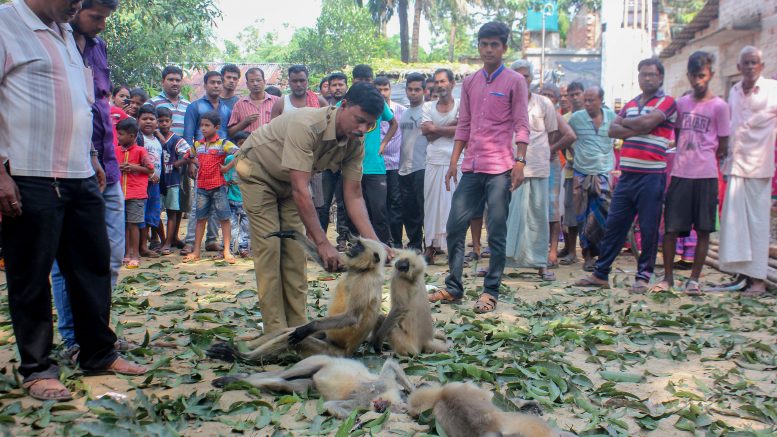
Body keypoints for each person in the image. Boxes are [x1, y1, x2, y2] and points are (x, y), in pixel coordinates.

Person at [0, 0, 147, 401]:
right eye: (74, 0)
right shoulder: (5, 23)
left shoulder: (68, 32)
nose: (78, 7)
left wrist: (92, 155)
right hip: (29, 173)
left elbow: (80, 104)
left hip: (80, 173)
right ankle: (37, 368)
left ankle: (98, 352)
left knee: (92, 267)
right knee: (30, 276)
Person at [234, 82, 386, 333]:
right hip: (258, 172)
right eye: (359, 120)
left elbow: (354, 196)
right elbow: (301, 190)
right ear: (343, 105)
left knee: (294, 254)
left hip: (290, 183)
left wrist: (376, 244)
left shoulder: (355, 143)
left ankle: (297, 329)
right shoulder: (306, 125)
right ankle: (275, 334)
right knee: (270, 249)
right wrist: (323, 243)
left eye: (369, 125)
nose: (362, 129)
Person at [428, 22, 530, 314]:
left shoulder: (514, 82)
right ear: (479, 46)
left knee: (496, 230)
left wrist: (520, 162)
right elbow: (465, 125)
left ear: (504, 48)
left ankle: (490, 291)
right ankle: (454, 287)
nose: (488, 49)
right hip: (471, 166)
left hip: (500, 168)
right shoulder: (470, 82)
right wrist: (453, 162)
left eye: (494, 44)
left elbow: (522, 124)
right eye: (484, 44)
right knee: (454, 225)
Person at [52, 0, 124, 363]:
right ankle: (74, 340)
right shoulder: (54, 39)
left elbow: (97, 103)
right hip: (65, 167)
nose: (101, 25)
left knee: (108, 257)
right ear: (77, 7)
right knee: (68, 261)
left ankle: (99, 336)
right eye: (96, 17)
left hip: (105, 165)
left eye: (105, 19)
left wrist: (99, 156)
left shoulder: (98, 47)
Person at [575, 58, 677, 292]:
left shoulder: (668, 102)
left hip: (651, 175)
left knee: (649, 226)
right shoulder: (631, 103)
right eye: (643, 74)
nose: (647, 78)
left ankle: (643, 277)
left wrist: (632, 126)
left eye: (652, 74)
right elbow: (613, 129)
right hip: (628, 175)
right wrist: (640, 125)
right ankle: (601, 274)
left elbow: (647, 122)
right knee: (614, 225)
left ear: (660, 77)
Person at [649, 52, 730, 295]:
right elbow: (674, 133)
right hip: (680, 175)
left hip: (705, 175)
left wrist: (705, 158)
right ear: (688, 76)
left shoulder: (720, 107)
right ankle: (668, 278)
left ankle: (694, 280)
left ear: (711, 75)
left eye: (702, 76)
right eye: (694, 76)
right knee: (672, 229)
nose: (698, 81)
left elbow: (724, 144)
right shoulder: (681, 104)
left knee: (703, 229)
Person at [716, 46, 777, 296]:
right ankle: (741, 276)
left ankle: (759, 282)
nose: (750, 67)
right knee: (735, 227)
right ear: (739, 67)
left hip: (760, 168)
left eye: (755, 62)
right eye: (746, 63)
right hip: (736, 167)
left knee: (758, 225)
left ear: (761, 67)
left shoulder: (773, 90)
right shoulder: (734, 91)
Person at [505, 60, 572, 282]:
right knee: (505, 216)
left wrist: (539, 151)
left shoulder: (544, 103)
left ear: (531, 78)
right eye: (517, 75)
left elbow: (552, 134)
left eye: (525, 76)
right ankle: (502, 263)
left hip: (538, 167)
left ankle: (540, 264)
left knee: (537, 217)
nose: (521, 80)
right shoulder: (504, 102)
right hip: (509, 167)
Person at [348, 64, 398, 246]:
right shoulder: (347, 102)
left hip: (375, 166)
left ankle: (385, 246)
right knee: (354, 211)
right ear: (353, 80)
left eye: (367, 80)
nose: (363, 83)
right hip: (351, 166)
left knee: (379, 210)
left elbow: (394, 123)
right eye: (359, 80)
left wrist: (383, 144)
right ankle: (359, 248)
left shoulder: (377, 102)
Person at [567, 86, 616, 272]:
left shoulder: (612, 117)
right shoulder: (577, 118)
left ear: (601, 100)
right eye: (585, 100)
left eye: (591, 100)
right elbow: (566, 136)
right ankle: (587, 256)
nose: (587, 104)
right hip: (581, 174)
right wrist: (575, 154)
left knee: (602, 216)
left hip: (603, 174)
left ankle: (602, 256)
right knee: (583, 216)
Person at [182, 71, 230, 255]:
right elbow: (188, 135)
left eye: (219, 82)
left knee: (218, 204)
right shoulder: (195, 107)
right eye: (213, 82)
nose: (216, 85)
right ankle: (191, 241)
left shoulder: (225, 109)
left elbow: (227, 136)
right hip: (200, 159)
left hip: (219, 162)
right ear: (205, 84)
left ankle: (211, 240)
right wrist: (191, 162)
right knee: (198, 204)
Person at [183, 111, 238, 264]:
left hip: (218, 186)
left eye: (207, 125)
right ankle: (196, 251)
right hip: (201, 187)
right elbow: (187, 155)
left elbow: (240, 153)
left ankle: (226, 250)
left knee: (224, 218)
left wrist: (227, 168)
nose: (203, 128)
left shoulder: (223, 143)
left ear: (217, 127)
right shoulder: (197, 145)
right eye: (202, 125)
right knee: (200, 219)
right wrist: (195, 164)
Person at [421, 68, 460, 264]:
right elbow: (427, 134)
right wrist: (451, 127)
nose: (439, 85)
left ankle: (453, 248)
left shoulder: (461, 105)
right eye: (436, 82)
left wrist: (436, 128)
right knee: (431, 206)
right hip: (434, 161)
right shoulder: (427, 107)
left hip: (455, 161)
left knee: (454, 206)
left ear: (452, 84)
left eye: (443, 81)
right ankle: (430, 247)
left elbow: (463, 131)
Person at [537, 82, 577, 269]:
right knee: (534, 207)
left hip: (551, 164)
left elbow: (570, 136)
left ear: (555, 99)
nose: (545, 98)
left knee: (552, 210)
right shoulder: (534, 113)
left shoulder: (555, 115)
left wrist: (549, 150)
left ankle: (552, 252)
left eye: (549, 95)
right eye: (542, 94)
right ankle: (535, 250)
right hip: (532, 164)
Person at [116, 118, 154, 268]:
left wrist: (133, 167)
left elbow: (150, 169)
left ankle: (135, 254)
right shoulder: (116, 150)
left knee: (134, 225)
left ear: (132, 136)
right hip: (120, 193)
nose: (118, 137)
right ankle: (126, 254)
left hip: (136, 193)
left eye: (121, 134)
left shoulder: (140, 151)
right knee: (124, 224)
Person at [398, 72, 428, 252]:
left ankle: (431, 246)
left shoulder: (429, 110)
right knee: (409, 211)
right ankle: (415, 244)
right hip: (404, 168)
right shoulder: (403, 113)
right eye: (410, 89)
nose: (413, 93)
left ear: (424, 90)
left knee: (424, 209)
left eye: (417, 89)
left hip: (423, 165)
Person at [157, 106, 192, 255]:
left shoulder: (176, 139)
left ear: (171, 122)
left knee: (172, 211)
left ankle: (168, 242)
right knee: (156, 212)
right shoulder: (153, 138)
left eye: (166, 121)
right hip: (157, 181)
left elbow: (189, 153)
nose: (163, 124)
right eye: (160, 121)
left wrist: (179, 163)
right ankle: (163, 239)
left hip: (172, 181)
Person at [375, 76, 405, 248]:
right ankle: (383, 242)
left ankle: (398, 242)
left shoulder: (401, 111)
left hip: (395, 165)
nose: (382, 93)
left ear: (390, 90)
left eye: (385, 89)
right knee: (379, 206)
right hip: (376, 166)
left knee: (395, 204)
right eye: (379, 90)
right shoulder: (370, 112)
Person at [560, 81, 585, 265]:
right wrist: (569, 157)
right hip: (570, 172)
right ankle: (571, 251)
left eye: (578, 94)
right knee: (569, 213)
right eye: (572, 94)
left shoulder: (592, 116)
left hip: (589, 172)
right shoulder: (565, 118)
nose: (575, 98)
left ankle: (587, 252)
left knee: (587, 214)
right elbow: (561, 141)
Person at [136, 105, 165, 256]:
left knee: (152, 213)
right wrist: (148, 175)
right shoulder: (138, 138)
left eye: (152, 119)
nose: (148, 122)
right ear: (137, 120)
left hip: (155, 184)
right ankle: (142, 247)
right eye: (144, 119)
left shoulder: (157, 140)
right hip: (142, 183)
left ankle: (150, 244)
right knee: (141, 214)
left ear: (157, 122)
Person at [228, 67, 278, 137]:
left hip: (272, 146)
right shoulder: (239, 104)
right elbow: (230, 132)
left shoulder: (277, 102)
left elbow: (285, 126)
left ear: (264, 81)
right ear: (247, 84)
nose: (255, 83)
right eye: (252, 81)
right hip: (249, 146)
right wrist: (244, 122)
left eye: (258, 80)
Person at [223, 131, 251, 258]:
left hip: (246, 201)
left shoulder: (253, 160)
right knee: (231, 226)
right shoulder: (229, 159)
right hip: (231, 199)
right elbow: (225, 177)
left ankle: (243, 248)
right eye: (240, 144)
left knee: (246, 227)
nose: (243, 147)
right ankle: (228, 248)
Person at [150, 66, 190, 137]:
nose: (175, 83)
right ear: (163, 82)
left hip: (184, 147)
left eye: (178, 80)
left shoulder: (189, 105)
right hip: (160, 146)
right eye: (171, 80)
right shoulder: (152, 103)